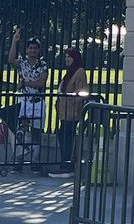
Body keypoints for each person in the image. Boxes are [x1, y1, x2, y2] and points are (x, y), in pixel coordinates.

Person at [8, 26, 49, 174]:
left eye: (35, 48)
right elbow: (11, 60)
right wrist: (14, 41)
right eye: (30, 48)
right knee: (20, 129)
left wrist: (24, 83)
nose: (32, 50)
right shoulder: (22, 63)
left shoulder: (43, 64)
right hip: (24, 100)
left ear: (38, 50)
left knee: (37, 131)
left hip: (37, 101)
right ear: (26, 50)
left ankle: (35, 161)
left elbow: (41, 82)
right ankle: (19, 159)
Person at [49, 47, 88, 177]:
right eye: (66, 57)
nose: (66, 59)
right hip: (64, 111)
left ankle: (68, 165)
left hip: (71, 112)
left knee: (67, 137)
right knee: (63, 136)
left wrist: (76, 107)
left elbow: (81, 91)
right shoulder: (70, 72)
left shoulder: (79, 72)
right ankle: (64, 163)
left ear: (75, 58)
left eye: (69, 57)